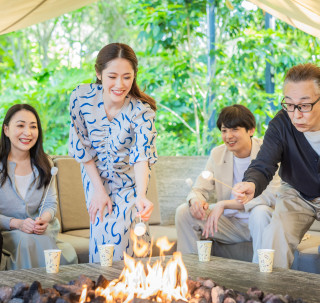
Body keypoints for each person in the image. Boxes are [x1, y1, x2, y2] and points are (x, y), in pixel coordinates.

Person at [69, 43, 157, 263]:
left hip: (130, 181)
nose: (120, 84)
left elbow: (141, 156)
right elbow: (82, 148)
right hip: (95, 178)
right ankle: (100, 289)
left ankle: (140, 287)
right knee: (103, 240)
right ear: (99, 74)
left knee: (131, 233)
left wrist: (141, 195)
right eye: (112, 76)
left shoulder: (141, 111)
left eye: (127, 77)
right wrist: (98, 191)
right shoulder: (81, 98)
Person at [233, 63, 320, 269]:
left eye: (304, 105)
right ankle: (265, 296)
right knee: (274, 235)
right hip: (297, 193)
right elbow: (264, 162)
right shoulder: (281, 124)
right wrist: (251, 184)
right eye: (289, 104)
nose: (296, 114)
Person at [176, 105, 280, 263]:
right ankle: (189, 274)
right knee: (184, 211)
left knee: (260, 212)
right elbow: (199, 188)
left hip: (261, 222)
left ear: (251, 130)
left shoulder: (267, 152)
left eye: (235, 129)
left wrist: (225, 204)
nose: (228, 136)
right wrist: (195, 200)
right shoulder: (218, 154)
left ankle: (261, 282)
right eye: (224, 130)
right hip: (229, 224)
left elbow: (271, 196)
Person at [0, 104, 77, 270]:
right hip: (7, 232)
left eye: (33, 126)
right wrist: (17, 223)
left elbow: (50, 203)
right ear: (6, 130)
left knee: (55, 246)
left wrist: (44, 219)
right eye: (20, 125)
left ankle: (51, 294)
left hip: (40, 231)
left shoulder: (45, 164)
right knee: (27, 241)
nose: (27, 132)